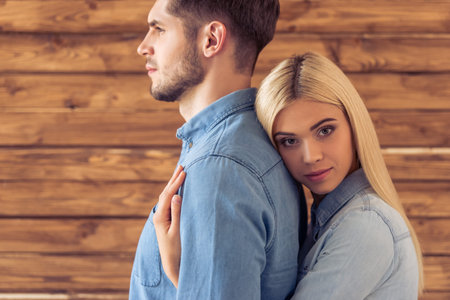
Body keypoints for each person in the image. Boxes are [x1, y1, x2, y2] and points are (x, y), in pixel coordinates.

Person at [155, 52, 424, 299]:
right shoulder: (329, 221)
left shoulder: (365, 226)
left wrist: (182, 273)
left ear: (354, 124)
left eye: (325, 131)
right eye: (289, 141)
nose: (310, 156)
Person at [129, 0, 307, 299]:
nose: (144, 47)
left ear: (211, 39)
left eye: (159, 29)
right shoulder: (245, 146)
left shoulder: (221, 168)